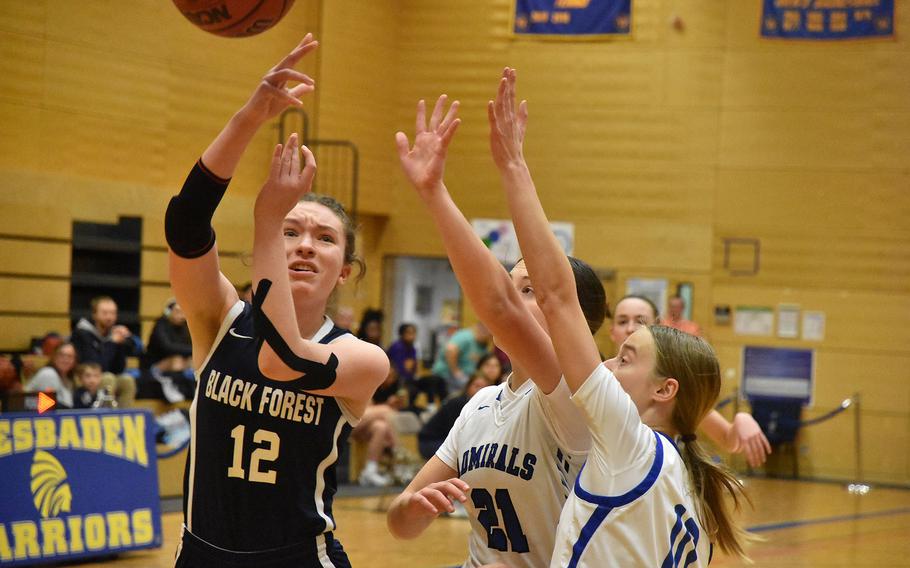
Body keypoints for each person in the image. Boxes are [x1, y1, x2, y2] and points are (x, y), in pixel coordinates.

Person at [489, 68, 752, 565]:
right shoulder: (687, 489)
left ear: (664, 389)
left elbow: (557, 296)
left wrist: (513, 167)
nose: (608, 365)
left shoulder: (630, 443)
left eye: (626, 359)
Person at [165, 34, 388, 567]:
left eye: (325, 238)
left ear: (345, 272)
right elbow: (186, 225)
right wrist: (249, 118)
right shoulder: (218, 319)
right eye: (292, 232)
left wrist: (271, 219)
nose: (306, 245)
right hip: (200, 555)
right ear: (267, 248)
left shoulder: (362, 358)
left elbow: (283, 358)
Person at [387, 91, 605, 567]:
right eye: (513, 286)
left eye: (531, 292)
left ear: (577, 324)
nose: (512, 301)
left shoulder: (577, 398)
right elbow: (400, 525)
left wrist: (436, 193)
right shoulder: (481, 405)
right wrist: (413, 507)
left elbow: (499, 308)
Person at [611, 295, 772, 467]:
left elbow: (727, 439)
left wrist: (742, 418)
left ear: (658, 329)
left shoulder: (670, 388)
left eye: (640, 322)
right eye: (622, 321)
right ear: (611, 331)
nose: (630, 328)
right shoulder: (598, 376)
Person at [70, 295, 138, 407]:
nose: (109, 317)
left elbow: (119, 368)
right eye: (105, 313)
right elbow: (95, 365)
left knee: (127, 380)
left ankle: (124, 419)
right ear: (94, 314)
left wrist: (120, 345)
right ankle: (107, 419)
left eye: (112, 313)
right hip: (85, 379)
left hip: (106, 376)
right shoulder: (82, 333)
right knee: (107, 378)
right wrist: (112, 344)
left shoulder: (114, 334)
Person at [417, 373, 493, 460]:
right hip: (430, 442)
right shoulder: (458, 403)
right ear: (468, 387)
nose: (480, 390)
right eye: (477, 386)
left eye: (484, 387)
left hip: (447, 442)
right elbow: (455, 436)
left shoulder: (487, 406)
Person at [429, 322, 491, 396]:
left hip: (466, 377)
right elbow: (451, 349)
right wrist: (456, 372)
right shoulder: (466, 336)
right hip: (448, 376)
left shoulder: (484, 344)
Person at [144, 299, 193, 372]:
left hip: (178, 359)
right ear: (168, 312)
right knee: (177, 361)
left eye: (183, 312)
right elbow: (167, 347)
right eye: (177, 311)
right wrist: (192, 350)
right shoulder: (161, 324)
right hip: (155, 362)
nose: (181, 316)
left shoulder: (186, 326)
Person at [25, 342, 77, 408]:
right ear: (54, 357)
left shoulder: (69, 380)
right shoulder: (49, 373)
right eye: (61, 355)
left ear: (75, 361)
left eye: (70, 356)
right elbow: (48, 407)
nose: (65, 359)